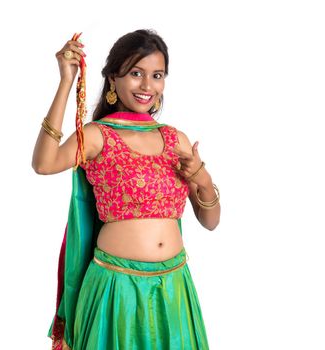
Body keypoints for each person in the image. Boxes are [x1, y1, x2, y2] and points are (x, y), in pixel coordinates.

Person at [32, 29, 221, 350]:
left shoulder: (177, 139)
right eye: (136, 73)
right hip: (115, 288)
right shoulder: (97, 135)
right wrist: (66, 81)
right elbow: (44, 163)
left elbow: (211, 221)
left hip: (173, 288)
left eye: (156, 75)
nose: (147, 86)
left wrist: (202, 178)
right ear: (112, 80)